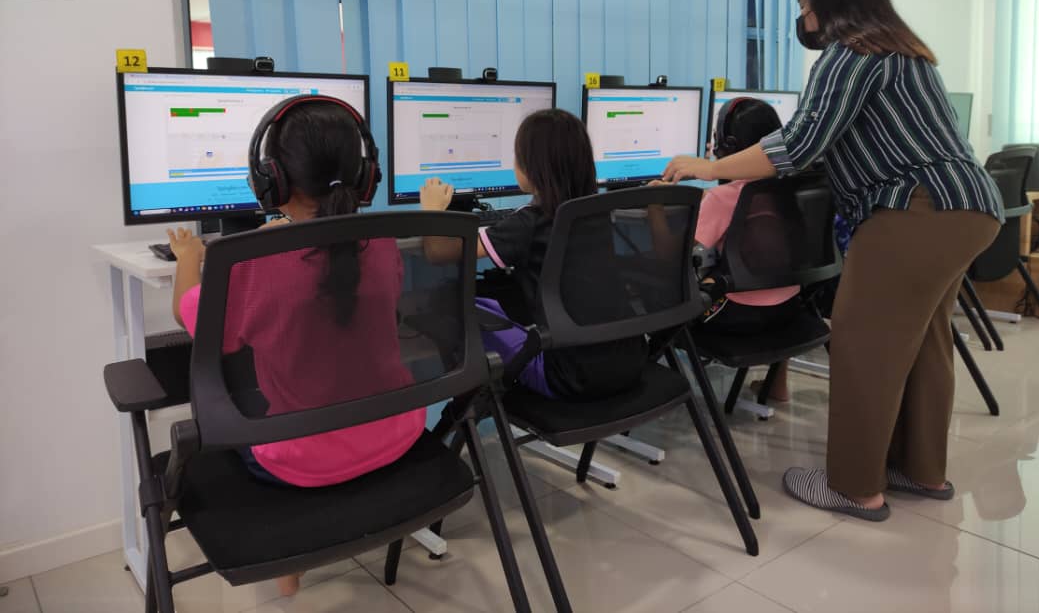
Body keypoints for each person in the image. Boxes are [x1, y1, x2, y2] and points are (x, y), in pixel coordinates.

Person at [663, 0, 1003, 521]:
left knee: (863, 342)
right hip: (969, 207)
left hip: (913, 210)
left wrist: (708, 167)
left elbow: (796, 145)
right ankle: (921, 470)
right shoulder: (907, 53)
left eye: (804, 5)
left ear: (831, 4)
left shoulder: (851, 54)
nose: (803, 18)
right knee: (925, 342)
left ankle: (853, 486)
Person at [167, 97, 425, 596]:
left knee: (236, 397)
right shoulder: (383, 244)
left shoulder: (254, 265)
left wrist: (188, 258)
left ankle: (291, 565)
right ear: (364, 176)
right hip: (398, 437)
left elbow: (187, 313)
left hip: (299, 464)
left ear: (272, 181)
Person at [420, 108, 649, 399]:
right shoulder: (596, 212)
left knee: (448, 303)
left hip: (569, 377)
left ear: (531, 168)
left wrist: (432, 209)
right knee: (499, 295)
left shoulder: (529, 222)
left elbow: (437, 252)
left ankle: (467, 410)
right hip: (628, 360)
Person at [692, 97, 803, 401]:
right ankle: (777, 385)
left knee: (662, 295)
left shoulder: (722, 198)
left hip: (738, 316)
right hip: (791, 311)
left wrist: (657, 213)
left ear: (729, 145)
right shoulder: (792, 187)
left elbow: (679, 255)